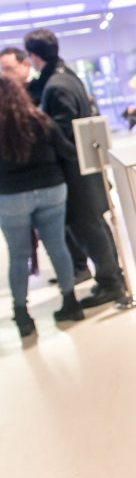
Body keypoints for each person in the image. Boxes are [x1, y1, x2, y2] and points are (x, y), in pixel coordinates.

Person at [23, 29, 126, 307]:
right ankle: (112, 278)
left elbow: (62, 132)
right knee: (94, 225)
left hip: (75, 169)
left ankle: (111, 282)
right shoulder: (66, 76)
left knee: (89, 227)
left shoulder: (56, 85)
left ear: (33, 56)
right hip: (83, 165)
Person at [0, 74, 85, 335]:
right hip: (52, 189)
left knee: (18, 255)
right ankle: (71, 303)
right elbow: (68, 151)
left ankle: (22, 316)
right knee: (57, 246)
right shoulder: (40, 119)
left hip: (12, 196)